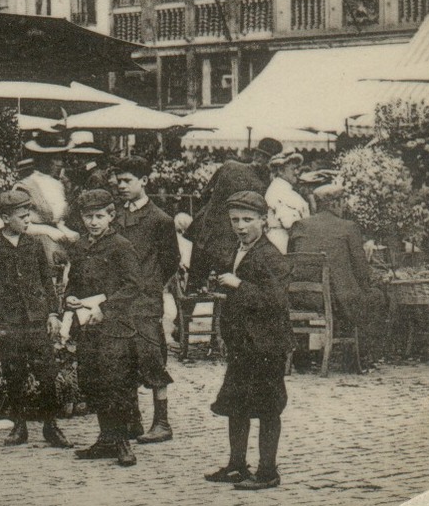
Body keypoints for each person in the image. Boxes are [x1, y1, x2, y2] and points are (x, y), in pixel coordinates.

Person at [207, 190, 293, 490]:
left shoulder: (271, 256)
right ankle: (236, 465)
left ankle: (268, 471)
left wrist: (238, 284)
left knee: (268, 408)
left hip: (266, 345)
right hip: (243, 345)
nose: (240, 227)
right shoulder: (239, 249)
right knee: (237, 405)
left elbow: (277, 301)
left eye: (247, 220)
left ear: (264, 219)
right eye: (234, 220)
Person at [0, 189, 70, 448]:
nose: (28, 221)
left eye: (29, 216)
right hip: (11, 322)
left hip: (37, 319)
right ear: (5, 218)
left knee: (47, 373)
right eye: (22, 217)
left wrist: (52, 313)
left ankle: (51, 426)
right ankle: (19, 426)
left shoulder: (34, 244)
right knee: (14, 371)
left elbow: (46, 281)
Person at [63, 189, 142, 467]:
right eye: (88, 217)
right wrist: (69, 297)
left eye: (99, 216)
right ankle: (106, 438)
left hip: (115, 327)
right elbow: (74, 281)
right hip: (88, 326)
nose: (93, 222)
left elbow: (133, 285)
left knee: (115, 382)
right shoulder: (81, 246)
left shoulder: (121, 245)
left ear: (111, 215)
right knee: (92, 380)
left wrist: (105, 309)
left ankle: (122, 443)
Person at [109, 155, 181, 445]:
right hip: (120, 300)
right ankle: (132, 419)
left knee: (152, 358)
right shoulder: (117, 216)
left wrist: (150, 284)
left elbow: (171, 260)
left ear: (144, 182)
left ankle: (162, 422)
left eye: (127, 181)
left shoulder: (160, 220)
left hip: (146, 301)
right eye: (118, 181)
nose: (121, 186)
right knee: (124, 359)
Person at [289, 184, 387, 368]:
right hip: (335, 301)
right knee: (376, 297)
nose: (343, 207)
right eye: (342, 202)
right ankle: (361, 359)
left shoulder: (299, 226)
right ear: (335, 203)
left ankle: (301, 359)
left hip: (300, 298)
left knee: (351, 293)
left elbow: (291, 262)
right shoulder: (348, 227)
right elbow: (361, 271)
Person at [179, 140, 275, 293]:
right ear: (270, 163)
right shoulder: (262, 185)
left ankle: (186, 316)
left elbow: (205, 194)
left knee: (195, 284)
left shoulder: (229, 165)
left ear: (255, 154)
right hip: (229, 238)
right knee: (226, 287)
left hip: (204, 230)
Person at [263, 152, 310, 253]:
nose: (297, 172)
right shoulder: (280, 191)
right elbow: (291, 224)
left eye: (298, 168)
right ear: (280, 170)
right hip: (282, 244)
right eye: (294, 169)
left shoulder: (283, 189)